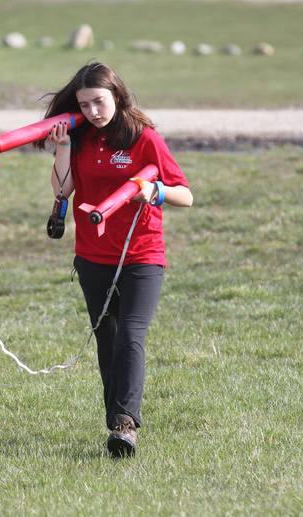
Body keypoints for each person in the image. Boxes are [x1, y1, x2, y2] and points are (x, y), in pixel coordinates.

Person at [38, 62, 193, 458]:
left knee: (131, 335)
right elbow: (63, 191)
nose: (92, 111)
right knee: (107, 340)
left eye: (99, 102)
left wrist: (152, 192)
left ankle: (125, 425)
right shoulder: (84, 137)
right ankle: (117, 421)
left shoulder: (145, 138)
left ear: (118, 97)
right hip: (92, 256)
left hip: (142, 254)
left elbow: (185, 194)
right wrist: (63, 147)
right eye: (84, 104)